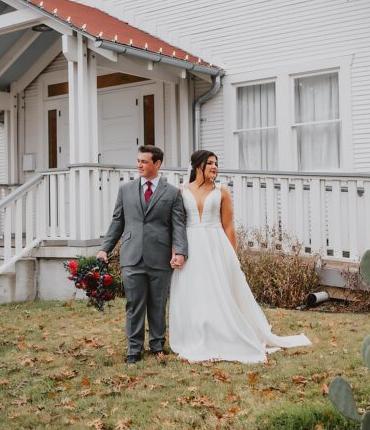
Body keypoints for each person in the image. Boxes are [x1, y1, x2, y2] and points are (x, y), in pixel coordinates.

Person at [168, 149, 311, 362]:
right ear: (197, 165)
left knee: (219, 290)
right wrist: (176, 251)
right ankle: (195, 332)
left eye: (216, 163)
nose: (214, 167)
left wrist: (232, 257)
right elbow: (177, 226)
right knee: (194, 288)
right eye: (210, 163)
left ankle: (224, 332)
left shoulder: (222, 192)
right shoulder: (181, 191)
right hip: (191, 245)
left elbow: (229, 226)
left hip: (216, 245)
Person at [98, 145, 187, 364]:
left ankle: (157, 345)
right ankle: (133, 349)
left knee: (157, 304)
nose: (139, 165)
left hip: (160, 256)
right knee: (134, 304)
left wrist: (181, 252)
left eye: (144, 162)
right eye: (138, 161)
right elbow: (117, 221)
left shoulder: (173, 193)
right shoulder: (125, 190)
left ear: (157, 164)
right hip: (132, 256)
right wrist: (104, 249)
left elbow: (178, 226)